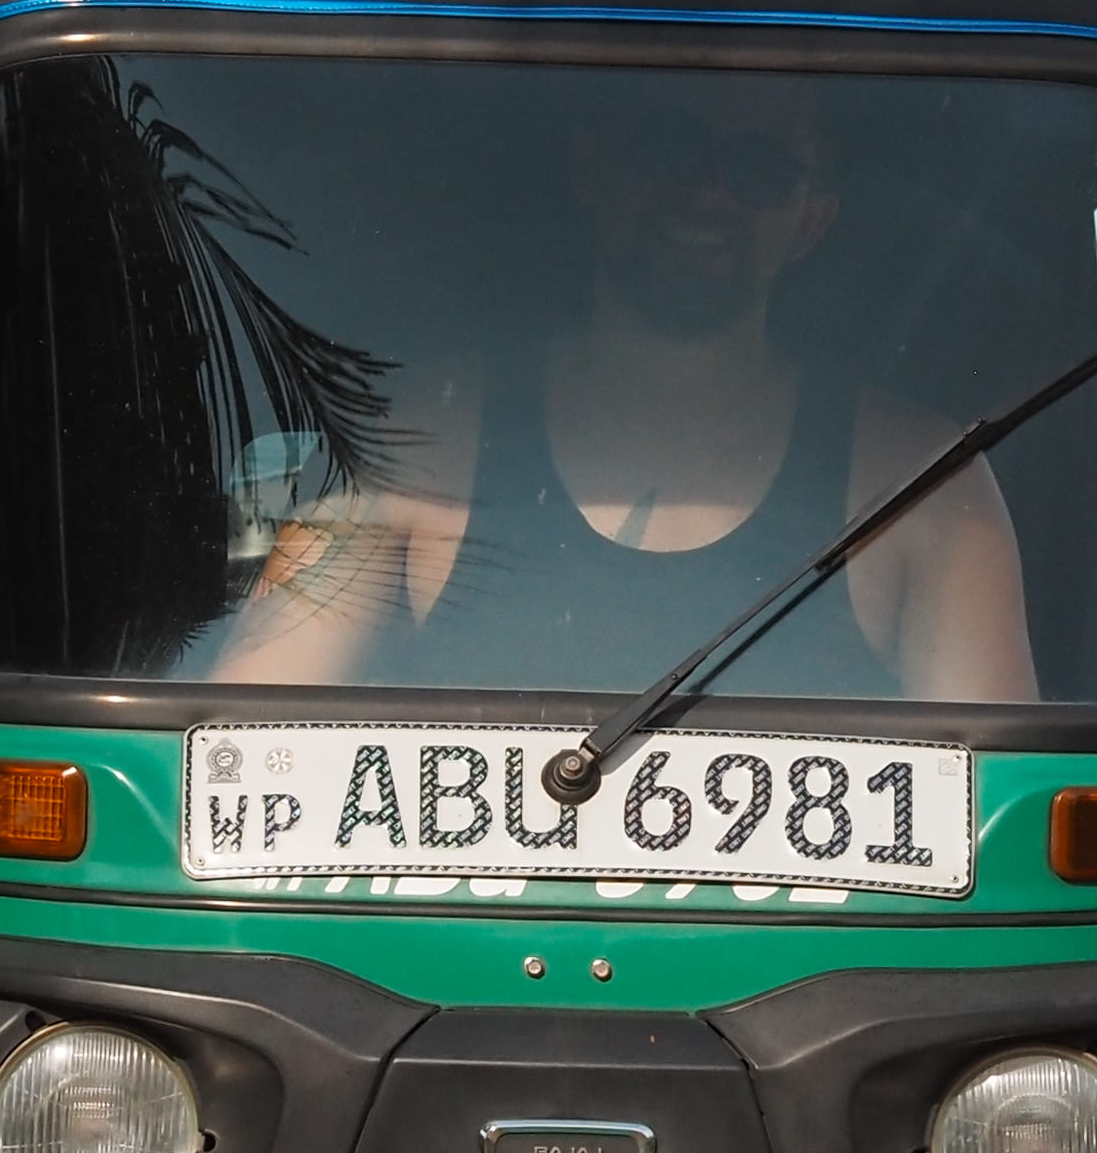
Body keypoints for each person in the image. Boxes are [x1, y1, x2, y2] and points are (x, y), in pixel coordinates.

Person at [201, 79, 1039, 697]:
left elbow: (996, 808)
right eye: (666, 148)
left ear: (810, 223)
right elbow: (245, 733)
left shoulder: (926, 480)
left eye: (757, 171)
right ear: (592, 170)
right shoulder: (408, 439)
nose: (706, 191)